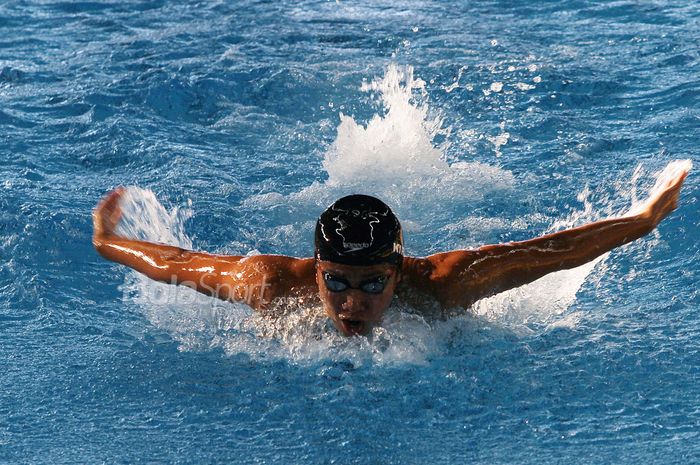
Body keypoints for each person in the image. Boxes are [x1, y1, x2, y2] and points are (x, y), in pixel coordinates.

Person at [93, 166, 689, 336]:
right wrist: (109, 241)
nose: (354, 303)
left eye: (373, 284)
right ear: (317, 269)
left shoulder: (445, 283)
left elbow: (551, 252)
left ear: (399, 272)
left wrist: (643, 219)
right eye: (339, 283)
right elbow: (177, 266)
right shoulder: (270, 284)